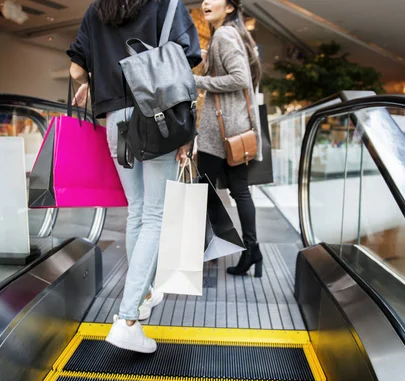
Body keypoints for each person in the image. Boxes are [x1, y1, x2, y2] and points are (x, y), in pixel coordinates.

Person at [67, 0, 201, 353]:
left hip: (115, 120)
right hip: (157, 114)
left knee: (138, 211)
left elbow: (76, 72)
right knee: (155, 214)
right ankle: (128, 320)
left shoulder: (97, 9)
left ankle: (140, 299)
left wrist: (99, 73)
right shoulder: (166, 4)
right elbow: (184, 62)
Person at [194, 0, 264, 277]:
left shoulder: (224, 35)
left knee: (204, 189)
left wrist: (198, 82)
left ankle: (213, 245)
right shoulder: (231, 34)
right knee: (239, 191)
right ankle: (251, 250)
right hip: (238, 129)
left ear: (231, 7)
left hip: (220, 131)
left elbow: (239, 79)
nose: (206, 2)